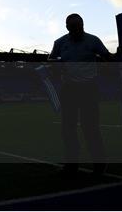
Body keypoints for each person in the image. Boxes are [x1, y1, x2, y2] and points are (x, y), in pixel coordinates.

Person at [49, 13, 114, 178]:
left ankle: (99, 164)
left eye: (79, 26)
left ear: (83, 25)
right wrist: (55, 66)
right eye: (73, 27)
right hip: (69, 89)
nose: (77, 30)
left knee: (90, 128)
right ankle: (71, 165)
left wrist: (117, 55)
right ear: (67, 27)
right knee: (68, 129)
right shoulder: (60, 43)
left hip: (88, 90)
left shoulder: (93, 40)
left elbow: (108, 58)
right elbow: (51, 61)